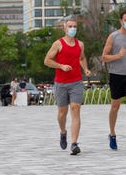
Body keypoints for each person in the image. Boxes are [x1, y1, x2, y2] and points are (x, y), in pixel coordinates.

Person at [44, 17, 91, 155]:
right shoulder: (58, 44)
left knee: (75, 109)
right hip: (61, 83)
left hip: (76, 82)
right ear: (64, 29)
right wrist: (61, 66)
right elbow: (47, 60)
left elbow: (82, 58)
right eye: (70, 26)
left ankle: (74, 143)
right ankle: (63, 131)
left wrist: (86, 69)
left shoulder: (80, 44)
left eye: (75, 26)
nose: (72, 29)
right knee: (62, 113)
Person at [101, 9, 126, 151]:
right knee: (115, 107)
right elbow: (104, 57)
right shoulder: (113, 36)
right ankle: (112, 134)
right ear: (120, 21)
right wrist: (118, 56)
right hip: (116, 75)